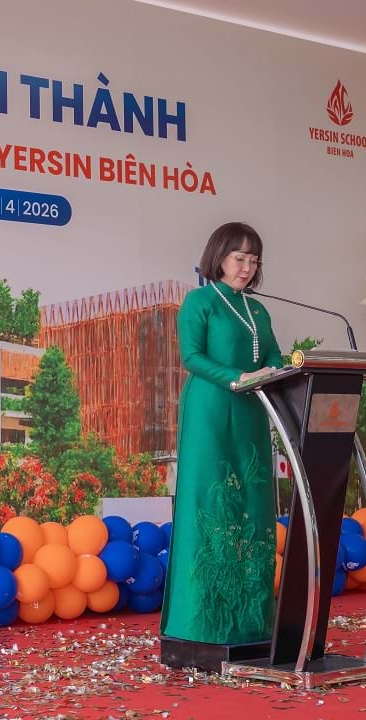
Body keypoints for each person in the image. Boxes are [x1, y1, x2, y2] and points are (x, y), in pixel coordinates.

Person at [160, 221, 284, 647]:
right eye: (239, 258)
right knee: (212, 499)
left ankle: (251, 620)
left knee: (251, 501)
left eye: (254, 260)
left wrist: (275, 372)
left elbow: (273, 355)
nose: (247, 268)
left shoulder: (258, 310)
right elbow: (191, 357)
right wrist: (237, 377)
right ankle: (200, 623)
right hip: (210, 409)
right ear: (219, 257)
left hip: (252, 409)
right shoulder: (200, 301)